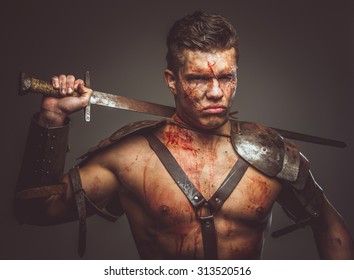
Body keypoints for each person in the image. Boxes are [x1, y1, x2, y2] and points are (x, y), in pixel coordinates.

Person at [15, 11, 354, 260]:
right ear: (172, 80)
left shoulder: (269, 152)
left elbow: (329, 227)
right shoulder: (131, 157)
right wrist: (53, 116)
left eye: (227, 77)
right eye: (197, 79)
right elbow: (35, 211)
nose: (216, 92)